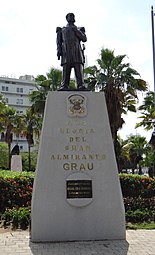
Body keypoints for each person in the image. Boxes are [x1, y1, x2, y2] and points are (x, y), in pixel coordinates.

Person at [56, 13, 87, 90]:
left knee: (78, 70)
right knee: (66, 70)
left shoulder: (79, 29)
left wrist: (76, 30)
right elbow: (59, 42)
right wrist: (59, 50)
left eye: (73, 16)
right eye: (70, 16)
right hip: (66, 52)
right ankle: (64, 85)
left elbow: (84, 39)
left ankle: (81, 85)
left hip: (77, 51)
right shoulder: (62, 30)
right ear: (67, 18)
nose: (72, 18)